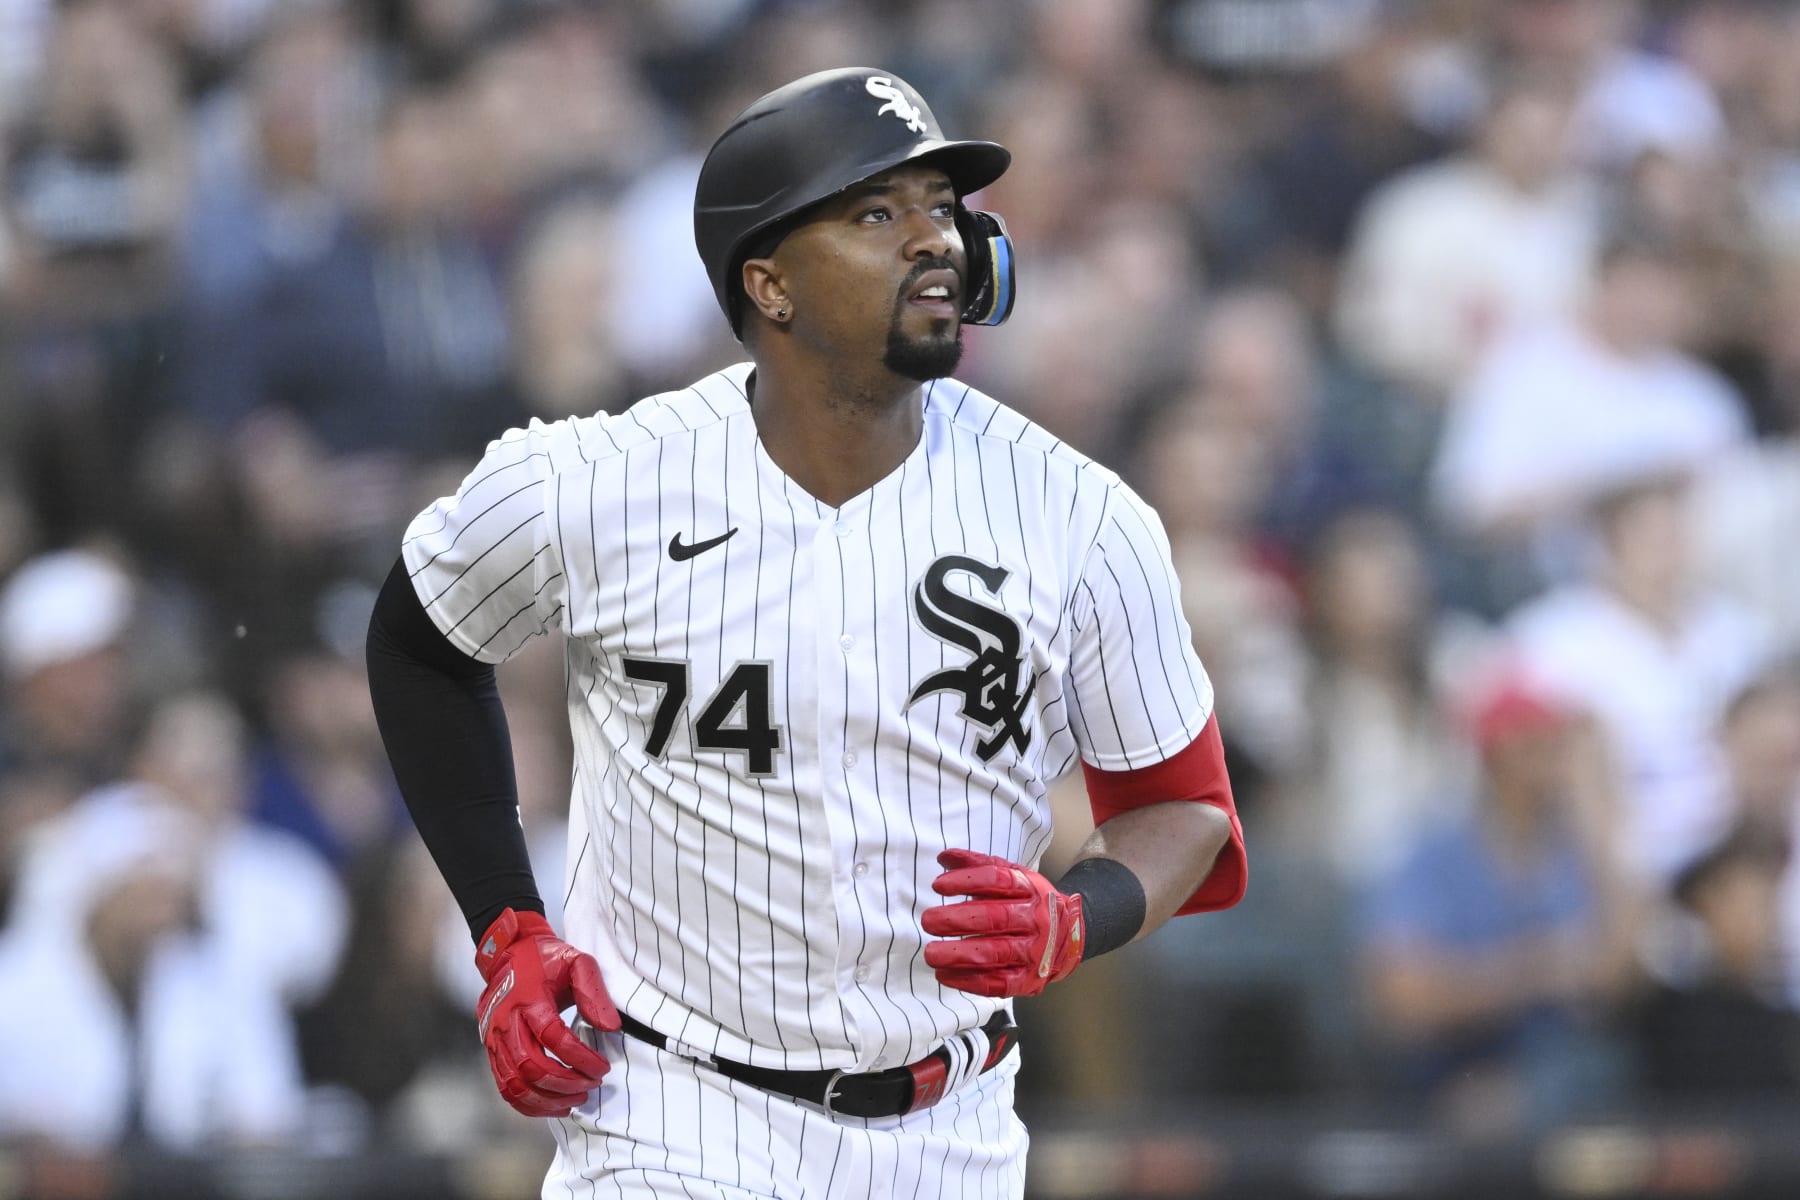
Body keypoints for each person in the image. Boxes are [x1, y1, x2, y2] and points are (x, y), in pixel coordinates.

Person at [366, 67, 1245, 1199]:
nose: (936, 240)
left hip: (951, 1131)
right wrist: (506, 931)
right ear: (770, 285)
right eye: (878, 213)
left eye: (943, 206)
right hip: (669, 1115)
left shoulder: (1079, 514)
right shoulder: (598, 482)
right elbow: (420, 639)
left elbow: (1185, 811)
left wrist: (1079, 918)